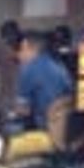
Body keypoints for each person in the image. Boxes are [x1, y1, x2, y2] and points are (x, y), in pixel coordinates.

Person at [9, 30, 74, 159]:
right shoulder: (59, 65)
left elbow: (23, 111)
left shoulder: (28, 69)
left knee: (1, 142)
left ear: (25, 45)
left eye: (19, 50)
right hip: (68, 133)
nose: (17, 56)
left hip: (48, 134)